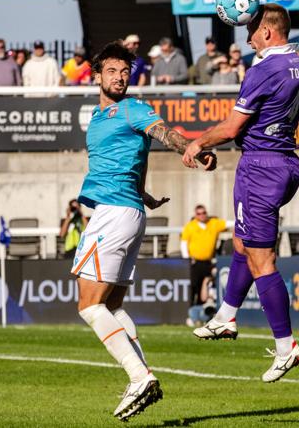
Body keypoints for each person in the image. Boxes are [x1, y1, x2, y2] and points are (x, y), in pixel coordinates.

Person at [69, 41, 216, 420]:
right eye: (113, 71)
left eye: (125, 72)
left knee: (89, 305)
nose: (120, 77)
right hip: (128, 209)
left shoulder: (132, 108)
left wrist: (193, 149)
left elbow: (165, 133)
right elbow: (134, 157)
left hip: (114, 214)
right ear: (97, 75)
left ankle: (138, 375)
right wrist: (146, 196)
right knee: (112, 304)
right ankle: (143, 375)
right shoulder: (99, 118)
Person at [183, 3, 299, 383]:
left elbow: (233, 126)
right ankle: (225, 316)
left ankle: (287, 346)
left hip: (261, 167)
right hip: (285, 159)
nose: (249, 37)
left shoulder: (262, 68)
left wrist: (197, 143)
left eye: (252, 30)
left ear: (268, 32)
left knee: (260, 259)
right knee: (241, 242)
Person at [180, 205, 227, 316]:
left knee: (207, 286)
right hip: (195, 262)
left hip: (209, 262)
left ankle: (204, 313)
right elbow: (183, 243)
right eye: (199, 213)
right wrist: (187, 258)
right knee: (194, 287)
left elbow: (229, 224)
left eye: (204, 213)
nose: (202, 215)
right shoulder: (190, 226)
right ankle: (191, 313)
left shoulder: (213, 223)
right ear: (195, 215)